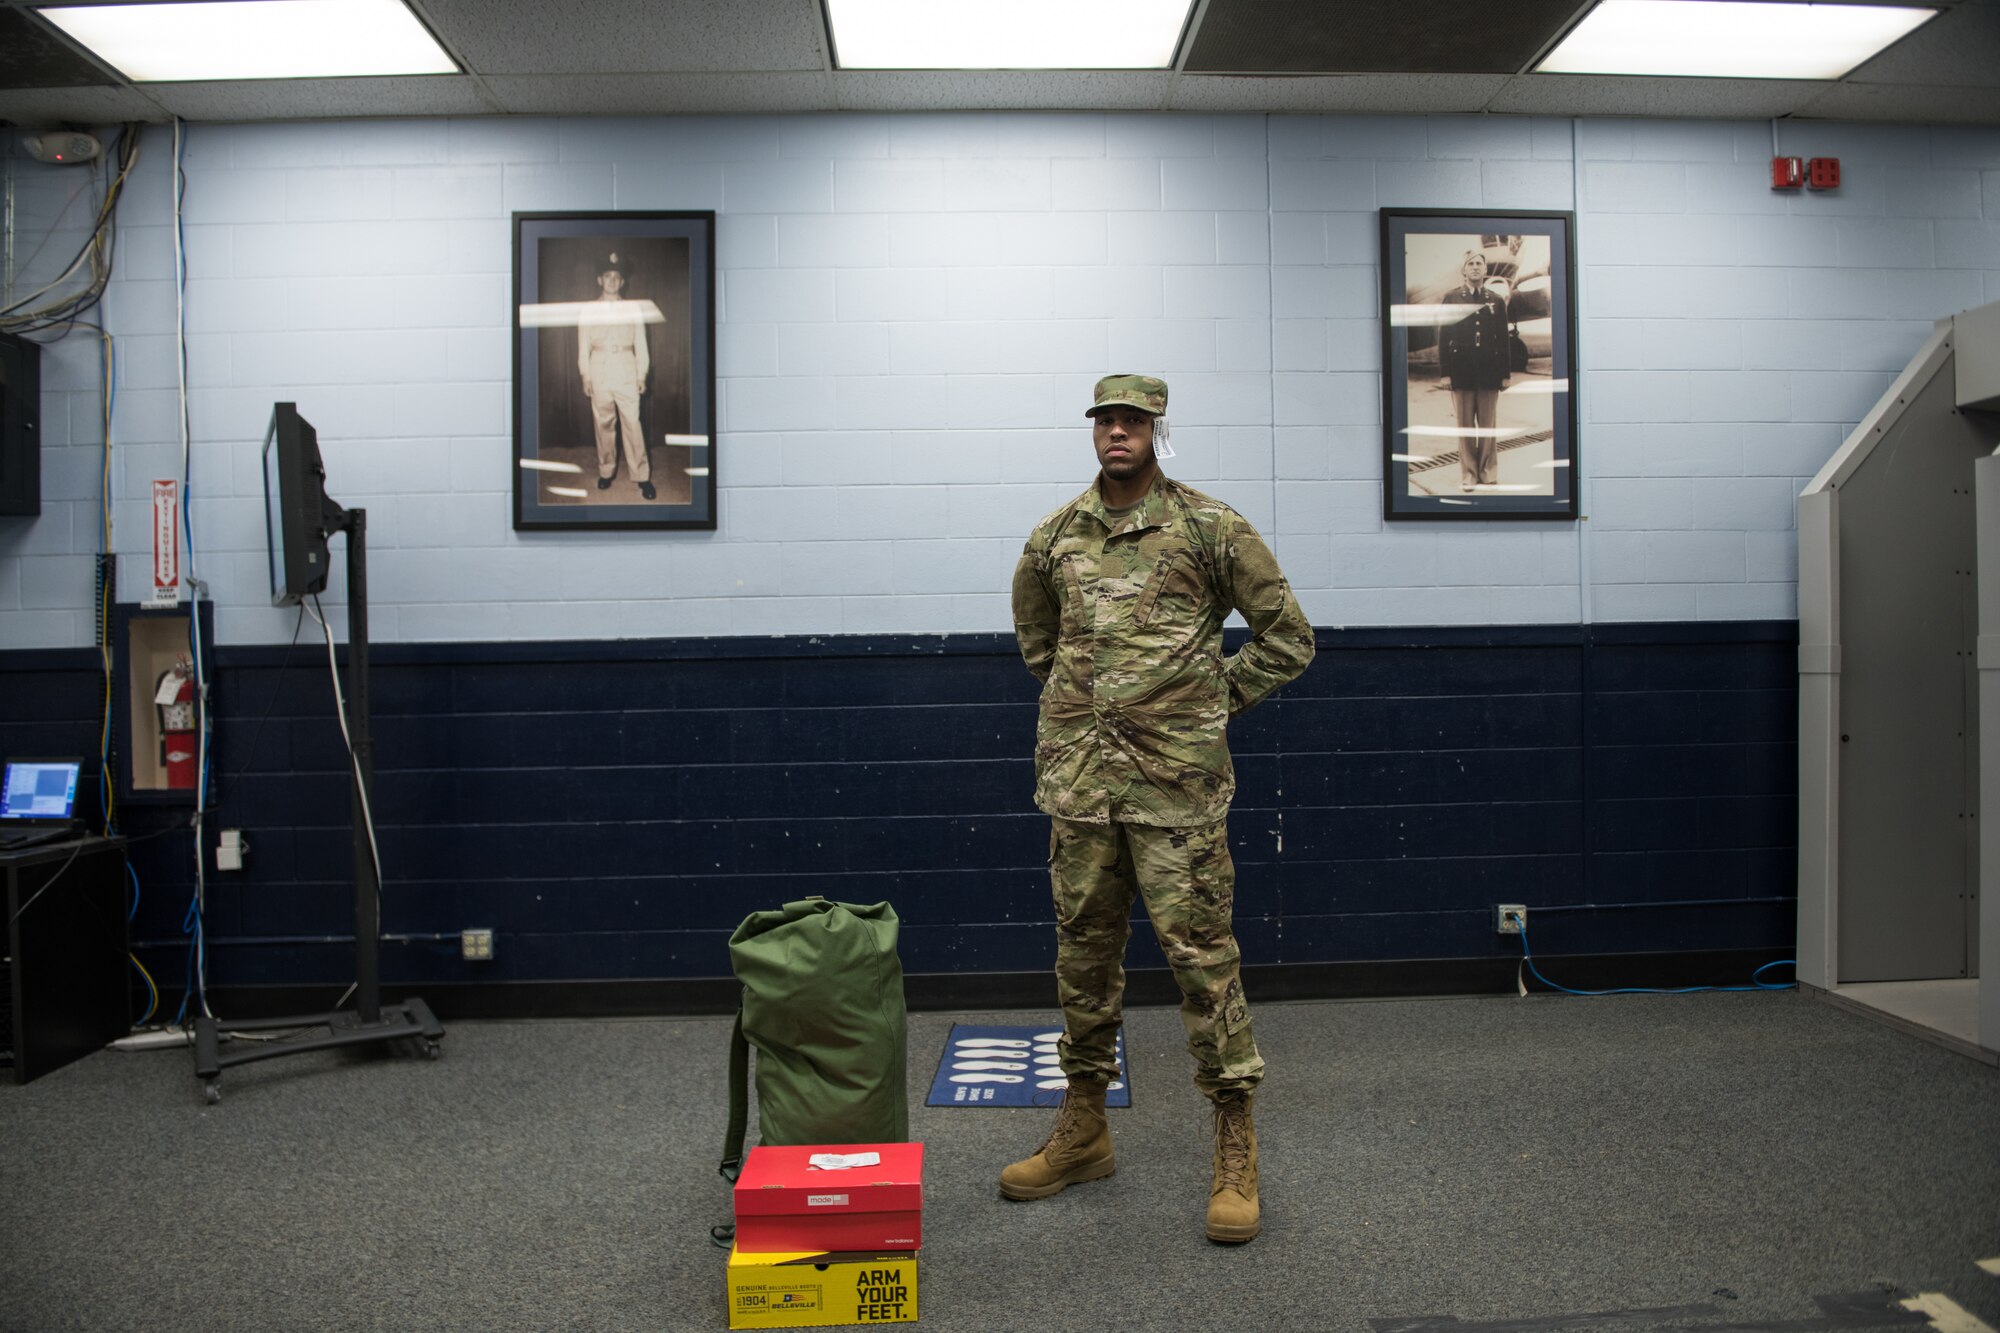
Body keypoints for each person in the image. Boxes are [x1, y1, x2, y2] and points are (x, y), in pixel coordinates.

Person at [1003, 374, 1315, 1243]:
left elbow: (1290, 636)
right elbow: (1041, 644)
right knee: (1083, 958)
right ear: (1092, 431)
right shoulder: (1055, 536)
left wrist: (1210, 700)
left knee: (1203, 962)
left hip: (1177, 793)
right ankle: (1084, 1128)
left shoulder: (1211, 528)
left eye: (1132, 421)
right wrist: (1092, 711)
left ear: (1154, 430)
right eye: (1104, 420)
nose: (1116, 433)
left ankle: (1235, 1138)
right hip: (1080, 790)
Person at [578, 251, 655, 500]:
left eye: (616, 277)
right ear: (599, 280)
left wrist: (641, 375)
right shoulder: (588, 310)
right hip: (599, 367)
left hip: (625, 368)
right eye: (607, 276)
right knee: (603, 423)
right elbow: (583, 346)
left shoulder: (633, 309)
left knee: (633, 423)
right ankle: (606, 470)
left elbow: (641, 345)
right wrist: (585, 376)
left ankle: (641, 475)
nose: (612, 281)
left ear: (623, 282)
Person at [1435, 249, 1511, 493]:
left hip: (1489, 371)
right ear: (1464, 270)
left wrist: (1505, 373)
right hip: (1462, 372)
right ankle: (1468, 474)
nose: (1476, 267)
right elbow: (1443, 336)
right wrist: (1445, 372)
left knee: (1488, 426)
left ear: (1485, 270)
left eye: (1480, 263)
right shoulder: (1452, 298)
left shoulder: (1496, 300)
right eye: (1471, 264)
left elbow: (1503, 339)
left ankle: (1488, 473)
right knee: (1465, 425)